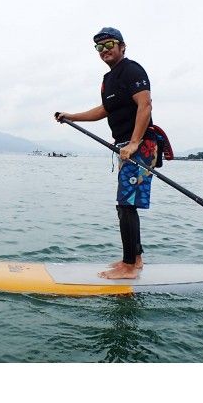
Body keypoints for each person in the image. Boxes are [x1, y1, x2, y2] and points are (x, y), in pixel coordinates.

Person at [55, 27, 157, 280]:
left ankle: (129, 266)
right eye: (99, 47)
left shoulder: (132, 69)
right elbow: (105, 110)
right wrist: (72, 116)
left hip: (140, 146)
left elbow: (145, 105)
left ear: (122, 46)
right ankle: (136, 259)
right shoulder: (107, 79)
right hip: (125, 147)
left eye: (109, 44)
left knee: (126, 205)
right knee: (125, 205)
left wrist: (134, 143)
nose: (104, 50)